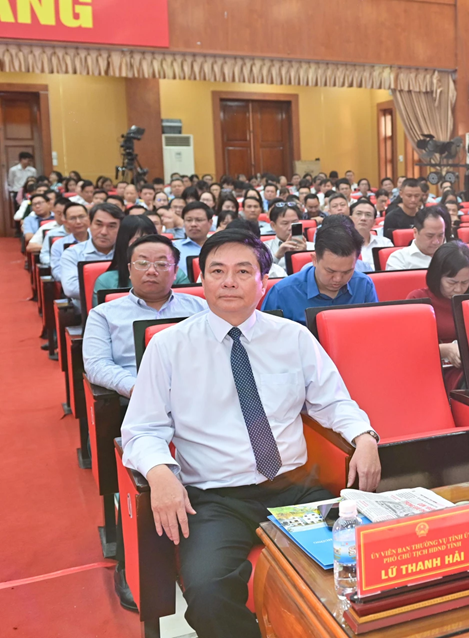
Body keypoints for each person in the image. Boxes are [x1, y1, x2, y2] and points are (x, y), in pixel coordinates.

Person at [121, 228, 380, 638]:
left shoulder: (293, 337)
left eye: (243, 271)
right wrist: (159, 473)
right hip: (216, 499)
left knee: (365, 559)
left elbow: (333, 402)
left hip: (295, 487)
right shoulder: (168, 347)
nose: (229, 281)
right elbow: (142, 429)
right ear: (201, 279)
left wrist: (364, 436)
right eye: (217, 271)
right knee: (208, 592)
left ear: (263, 282)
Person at [85, 234, 207, 396]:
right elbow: (96, 364)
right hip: (135, 397)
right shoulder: (103, 315)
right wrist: (135, 387)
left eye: (162, 264)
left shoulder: (201, 308)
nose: (151, 271)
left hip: (198, 393)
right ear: (130, 270)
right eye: (142, 263)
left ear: (175, 272)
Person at [260, 221, 378, 325]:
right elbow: (267, 336)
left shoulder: (363, 285)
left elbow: (373, 328)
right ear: (315, 260)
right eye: (330, 271)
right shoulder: (283, 292)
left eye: (347, 272)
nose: (338, 279)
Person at [406, 242, 469, 389]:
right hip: (433, 371)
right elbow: (409, 346)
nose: (458, 289)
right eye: (452, 282)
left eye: (465, 282)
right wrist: (444, 349)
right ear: (437, 276)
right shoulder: (418, 299)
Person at [93, 215, 191, 305]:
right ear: (124, 243)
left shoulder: (175, 273)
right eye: (138, 242)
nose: (145, 246)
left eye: (149, 240)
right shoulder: (106, 281)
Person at [60, 203, 123, 307]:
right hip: (84, 313)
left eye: (111, 226)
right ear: (90, 224)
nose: (104, 232)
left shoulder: (128, 252)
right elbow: (71, 289)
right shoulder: (73, 253)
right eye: (99, 224)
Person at [51, 203, 91, 280]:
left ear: (89, 218)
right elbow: (57, 272)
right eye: (72, 218)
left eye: (81, 217)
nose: (78, 222)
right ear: (66, 223)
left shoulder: (100, 241)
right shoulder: (58, 245)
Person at [350, 198, 392, 270]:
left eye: (368, 215)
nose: (363, 218)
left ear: (374, 222)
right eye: (359, 214)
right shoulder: (342, 244)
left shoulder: (385, 243)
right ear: (350, 219)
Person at [176, 202, 215, 273]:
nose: (193, 224)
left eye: (199, 220)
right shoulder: (173, 247)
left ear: (210, 223)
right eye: (189, 220)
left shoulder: (218, 247)